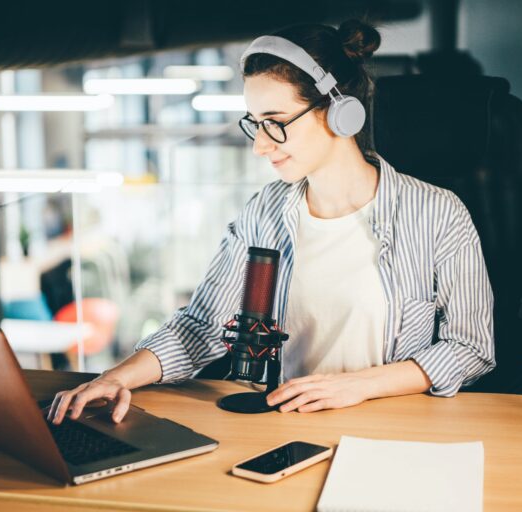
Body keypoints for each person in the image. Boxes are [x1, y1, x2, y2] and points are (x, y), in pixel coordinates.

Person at [48, 19, 495, 425]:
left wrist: (360, 385)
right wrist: (115, 377)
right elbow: (202, 325)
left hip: (391, 429)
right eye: (255, 123)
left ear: (340, 111)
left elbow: (472, 348)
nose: (261, 146)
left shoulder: (437, 213)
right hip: (286, 426)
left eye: (276, 122)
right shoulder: (265, 212)